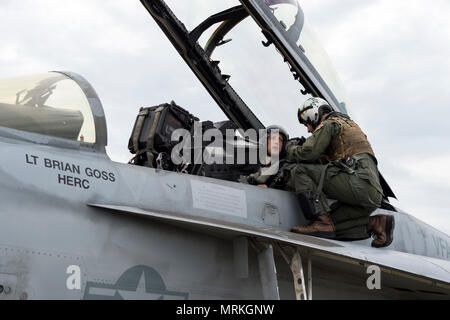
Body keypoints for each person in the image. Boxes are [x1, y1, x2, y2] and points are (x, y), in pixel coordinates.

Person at [285, 97, 395, 248]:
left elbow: (308, 153)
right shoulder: (350, 126)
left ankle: (321, 220)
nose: (308, 129)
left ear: (314, 113)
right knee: (332, 226)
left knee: (300, 171)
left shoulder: (330, 123)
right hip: (372, 194)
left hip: (357, 184)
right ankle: (376, 223)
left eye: (307, 122)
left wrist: (290, 149)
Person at [246, 125, 296, 190]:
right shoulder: (249, 163)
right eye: (273, 138)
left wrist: (270, 190)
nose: (277, 142)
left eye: (280, 140)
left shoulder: (287, 169)